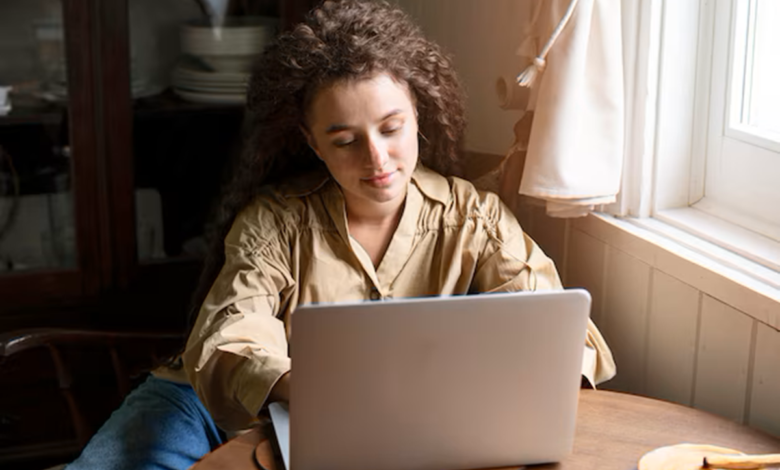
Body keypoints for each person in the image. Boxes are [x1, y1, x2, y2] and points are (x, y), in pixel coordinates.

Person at [66, 1, 615, 469]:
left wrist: (493, 384)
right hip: (203, 402)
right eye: (345, 139)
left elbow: (568, 337)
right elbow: (233, 334)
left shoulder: (474, 218)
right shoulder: (274, 220)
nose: (377, 159)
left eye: (392, 128)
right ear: (311, 141)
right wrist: (301, 385)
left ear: (418, 114)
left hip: (391, 429)